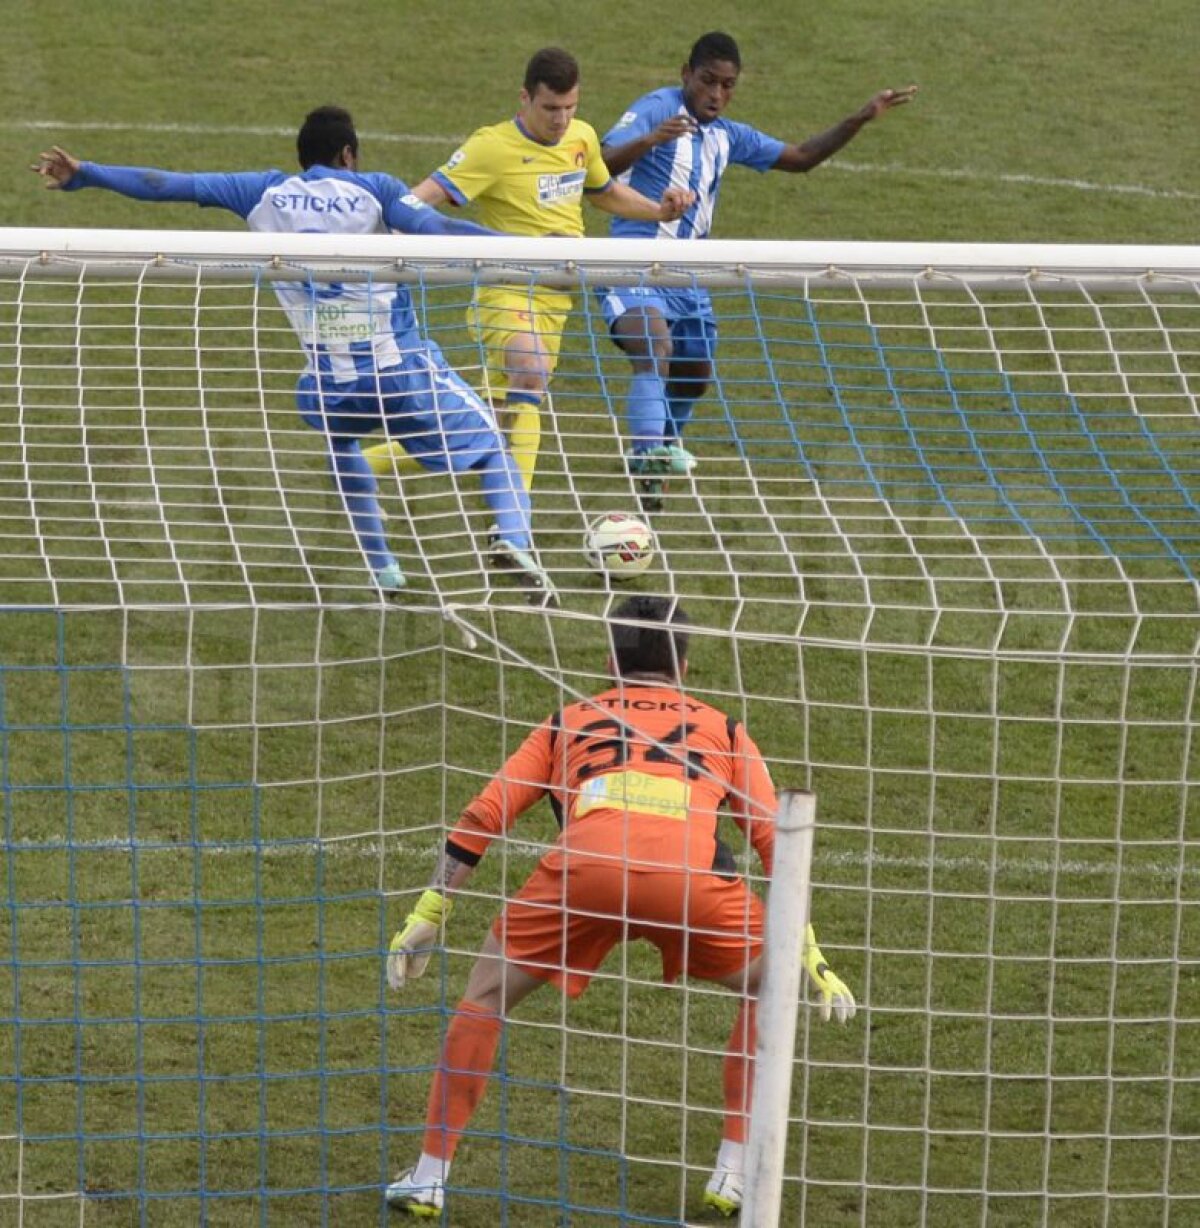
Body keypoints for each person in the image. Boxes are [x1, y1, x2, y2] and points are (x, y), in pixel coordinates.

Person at [384, 594, 856, 1219]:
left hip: (584, 873)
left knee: (485, 997)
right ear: (684, 667)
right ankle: (735, 1171)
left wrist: (430, 909)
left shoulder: (567, 720)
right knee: (770, 988)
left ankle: (430, 1175)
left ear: (611, 659)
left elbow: (485, 813)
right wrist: (809, 950)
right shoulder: (725, 728)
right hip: (688, 880)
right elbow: (776, 839)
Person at [31, 106, 557, 605]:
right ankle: (512, 540)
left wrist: (87, 174)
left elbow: (165, 184)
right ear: (349, 154)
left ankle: (383, 567)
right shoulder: (377, 191)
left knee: (342, 443)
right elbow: (439, 230)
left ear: (303, 156)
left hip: (328, 385)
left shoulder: (263, 191)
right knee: (495, 447)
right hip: (399, 373)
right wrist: (528, 251)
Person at [599, 32, 918, 511]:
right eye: (708, 81)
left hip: (689, 276)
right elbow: (597, 163)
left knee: (694, 374)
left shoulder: (728, 135)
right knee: (654, 345)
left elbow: (801, 158)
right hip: (636, 262)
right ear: (686, 73)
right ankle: (647, 458)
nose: (716, 95)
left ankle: (659, 458)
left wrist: (858, 118)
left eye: (727, 86)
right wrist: (650, 140)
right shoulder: (655, 107)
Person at [362, 48, 694, 497]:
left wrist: (658, 211)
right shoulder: (491, 146)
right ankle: (514, 527)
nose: (560, 119)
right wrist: (383, 240)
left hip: (556, 302)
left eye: (569, 107)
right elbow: (422, 197)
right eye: (550, 109)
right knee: (531, 373)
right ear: (525, 98)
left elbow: (603, 191)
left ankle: (360, 467)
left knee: (491, 424)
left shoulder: (582, 138)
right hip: (507, 291)